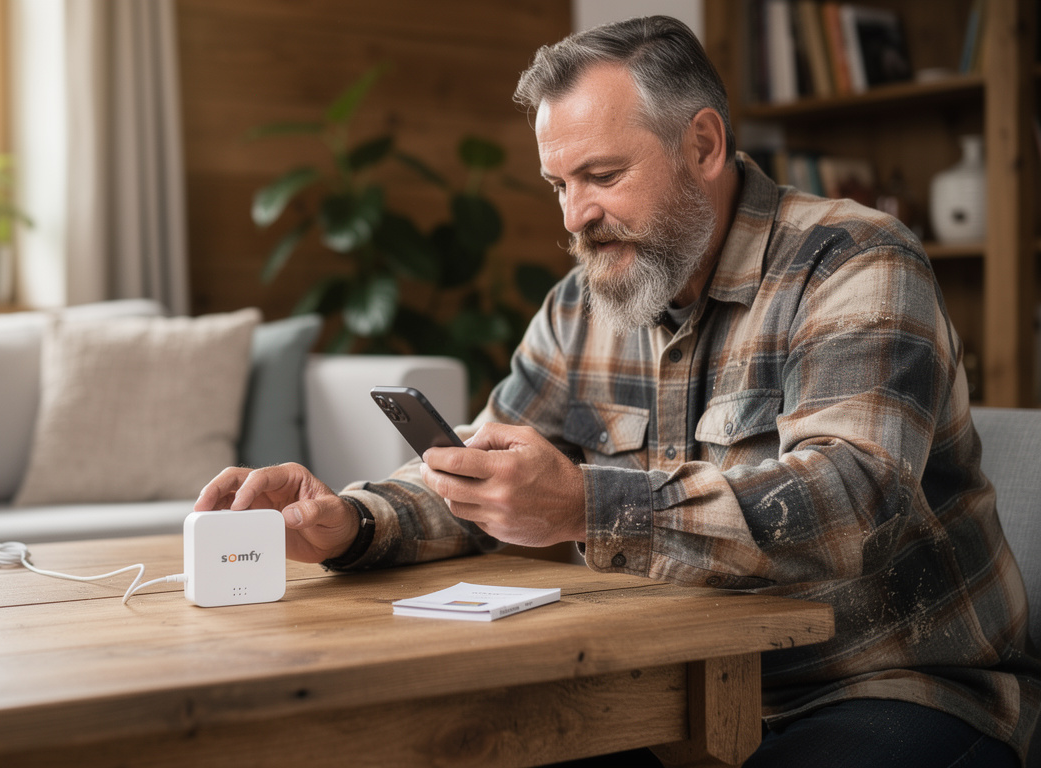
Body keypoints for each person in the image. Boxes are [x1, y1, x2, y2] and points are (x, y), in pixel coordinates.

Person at [196, 15, 1039, 768]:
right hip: (673, 687)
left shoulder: (855, 262)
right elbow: (480, 467)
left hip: (891, 685)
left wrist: (587, 505)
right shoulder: (582, 302)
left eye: (600, 175)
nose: (573, 218)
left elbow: (850, 500)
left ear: (703, 146)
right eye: (559, 185)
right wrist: (351, 522)